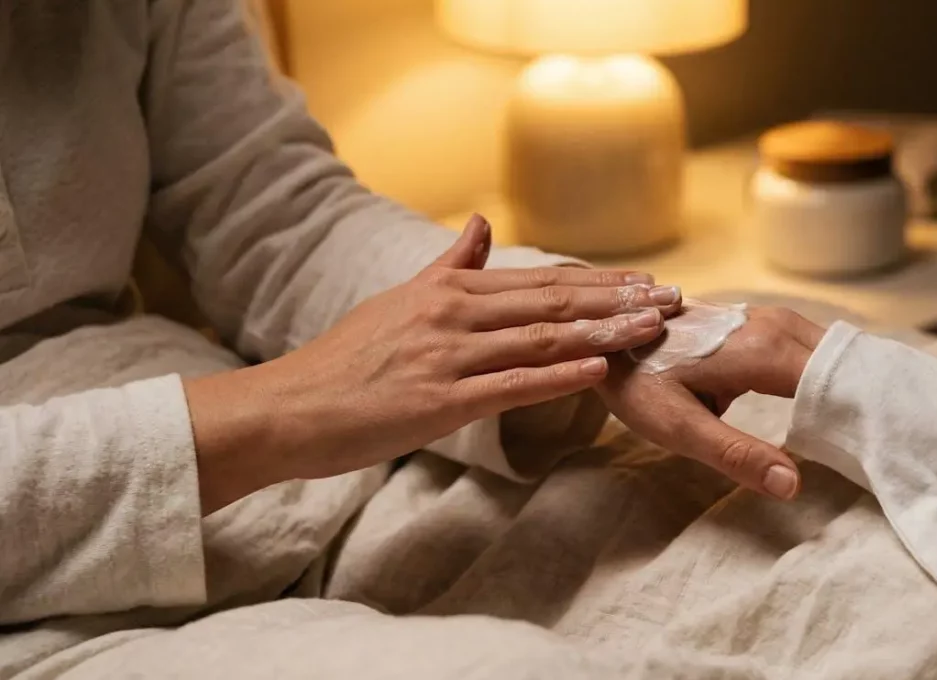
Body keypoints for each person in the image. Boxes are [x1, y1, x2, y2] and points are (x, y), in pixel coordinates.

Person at [0, 0, 822, 660]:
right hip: (53, 573)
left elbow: (278, 218)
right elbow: (299, 402)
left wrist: (600, 317)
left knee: (843, 531)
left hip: (292, 488)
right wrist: (284, 410)